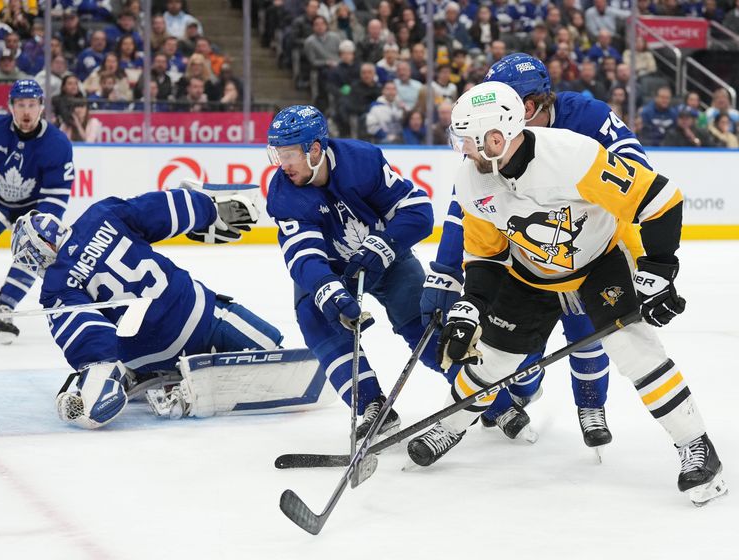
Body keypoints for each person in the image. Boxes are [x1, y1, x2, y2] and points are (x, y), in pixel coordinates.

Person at [407, 81, 728, 508]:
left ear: (496, 137)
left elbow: (661, 199)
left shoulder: (572, 156)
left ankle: (696, 445)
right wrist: (472, 305)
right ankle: (450, 424)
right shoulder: (471, 180)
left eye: (466, 140)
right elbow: (485, 256)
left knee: (635, 350)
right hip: (530, 274)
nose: (461, 150)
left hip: (598, 263)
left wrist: (660, 270)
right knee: (491, 359)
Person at [421, 54, 651, 446]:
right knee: (516, 341)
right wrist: (446, 269)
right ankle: (523, 387)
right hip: (523, 249)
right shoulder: (491, 130)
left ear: (531, 106)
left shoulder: (587, 116)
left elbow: (638, 176)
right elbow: (469, 203)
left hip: (590, 244)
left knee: (586, 327)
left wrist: (639, 260)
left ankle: (591, 405)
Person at [10, 186, 282, 429]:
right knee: (273, 348)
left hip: (150, 354)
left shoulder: (56, 285)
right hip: (198, 314)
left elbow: (85, 332)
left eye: (30, 258)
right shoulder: (102, 214)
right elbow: (160, 208)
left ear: (41, 247)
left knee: (120, 357)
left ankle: (149, 376)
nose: (35, 267)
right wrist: (208, 209)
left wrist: (102, 369)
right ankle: (172, 374)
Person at [265, 105, 454, 439]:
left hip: (389, 259)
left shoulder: (361, 161)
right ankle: (371, 404)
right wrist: (327, 287)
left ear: (315, 149)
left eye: (289, 154)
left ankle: (483, 392)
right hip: (334, 269)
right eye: (278, 155)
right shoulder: (284, 193)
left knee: (424, 322)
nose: (284, 164)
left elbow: (418, 211)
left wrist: (382, 246)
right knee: (314, 316)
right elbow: (303, 254)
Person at [0, 79, 74, 344]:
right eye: (20, 104)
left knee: (36, 251)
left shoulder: (57, 144)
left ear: (42, 107)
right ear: (10, 106)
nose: (26, 112)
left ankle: (3, 309)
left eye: (32, 105)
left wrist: (38, 226)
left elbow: (56, 193)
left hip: (30, 209)